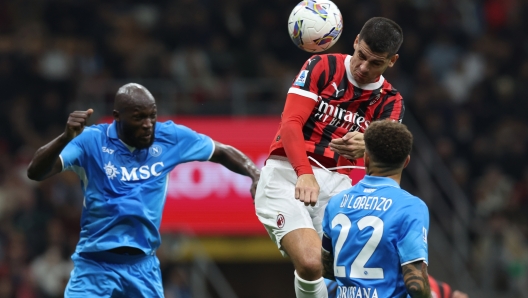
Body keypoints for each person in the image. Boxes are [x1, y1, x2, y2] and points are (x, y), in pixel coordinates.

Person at [26, 83, 260, 297]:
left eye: (152, 116)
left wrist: (254, 173)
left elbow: (220, 151)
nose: (148, 124)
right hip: (94, 267)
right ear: (117, 117)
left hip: (143, 268)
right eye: (139, 118)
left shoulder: (169, 137)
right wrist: (64, 139)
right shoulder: (91, 140)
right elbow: (35, 172)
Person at [255, 16, 405, 298]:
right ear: (356, 42)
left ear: (392, 61)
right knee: (311, 263)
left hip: (340, 189)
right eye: (361, 56)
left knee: (361, 272)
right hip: (288, 173)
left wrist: (371, 145)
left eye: (375, 63)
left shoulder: (391, 101)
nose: (363, 67)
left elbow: (389, 162)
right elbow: (290, 124)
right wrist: (304, 173)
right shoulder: (323, 66)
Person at [321, 120, 430, 297]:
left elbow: (326, 269)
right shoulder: (411, 207)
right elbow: (416, 285)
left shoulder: (336, 202)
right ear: (406, 162)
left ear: (366, 159)